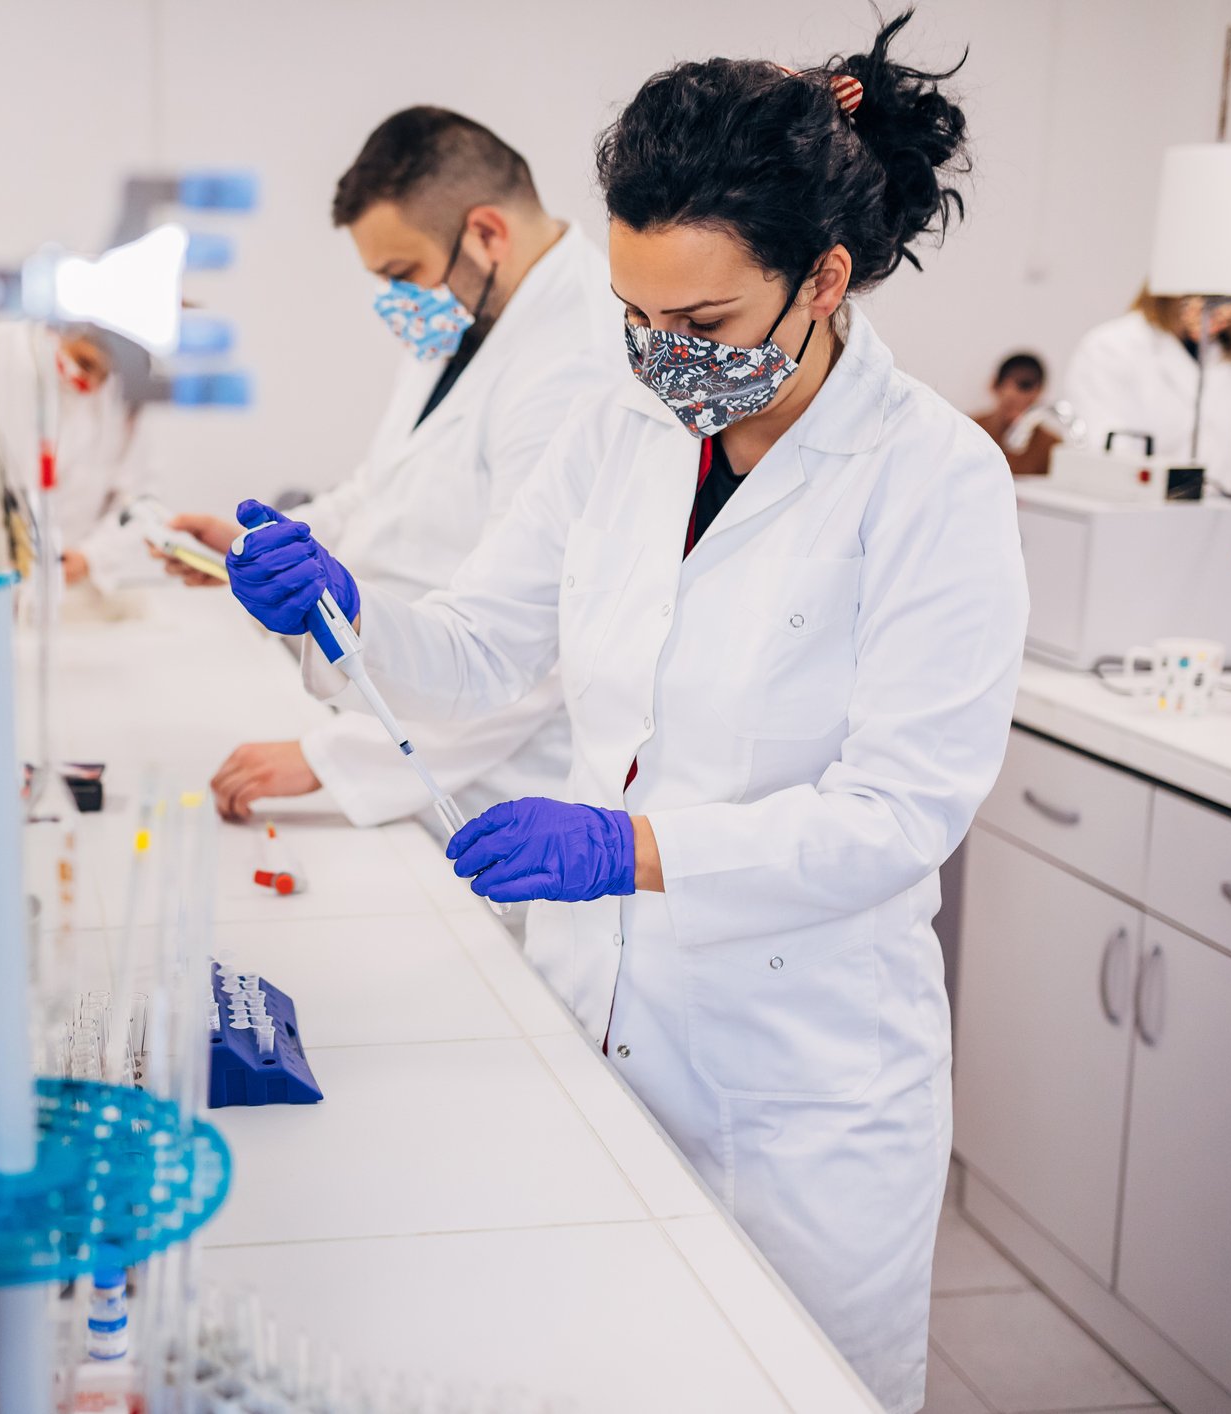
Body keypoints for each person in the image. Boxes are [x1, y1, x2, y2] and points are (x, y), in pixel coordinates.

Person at [220, 15, 1024, 1412]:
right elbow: (480, 646)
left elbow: (899, 817)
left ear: (822, 277)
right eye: (635, 316)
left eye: (701, 324)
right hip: (587, 1021)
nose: (662, 358)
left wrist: (633, 849)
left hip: (797, 1094)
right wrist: (340, 605)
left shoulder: (934, 482)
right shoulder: (623, 425)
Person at [168, 107, 622, 826]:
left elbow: (539, 645)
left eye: (402, 272)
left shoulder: (579, 364)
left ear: (486, 233)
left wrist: (336, 758)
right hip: (389, 695)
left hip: (472, 776)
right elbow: (382, 485)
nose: (395, 298)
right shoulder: (467, 311)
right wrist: (276, 543)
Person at [0, 324, 159, 594]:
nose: (92, 382)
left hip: (73, 587)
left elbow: (141, 499)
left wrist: (91, 557)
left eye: (105, 371)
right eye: (86, 363)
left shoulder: (123, 400)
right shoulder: (4, 348)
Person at [1064, 290, 1231, 490]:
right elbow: (1110, 453)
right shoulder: (1112, 347)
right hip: (1139, 509)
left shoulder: (1227, 352)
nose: (1223, 310)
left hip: (1225, 511)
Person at [970, 350, 1055, 475]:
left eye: (1025, 385)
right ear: (994, 385)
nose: (1012, 393)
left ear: (1039, 391)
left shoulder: (1050, 446)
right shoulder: (971, 429)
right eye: (1005, 383)